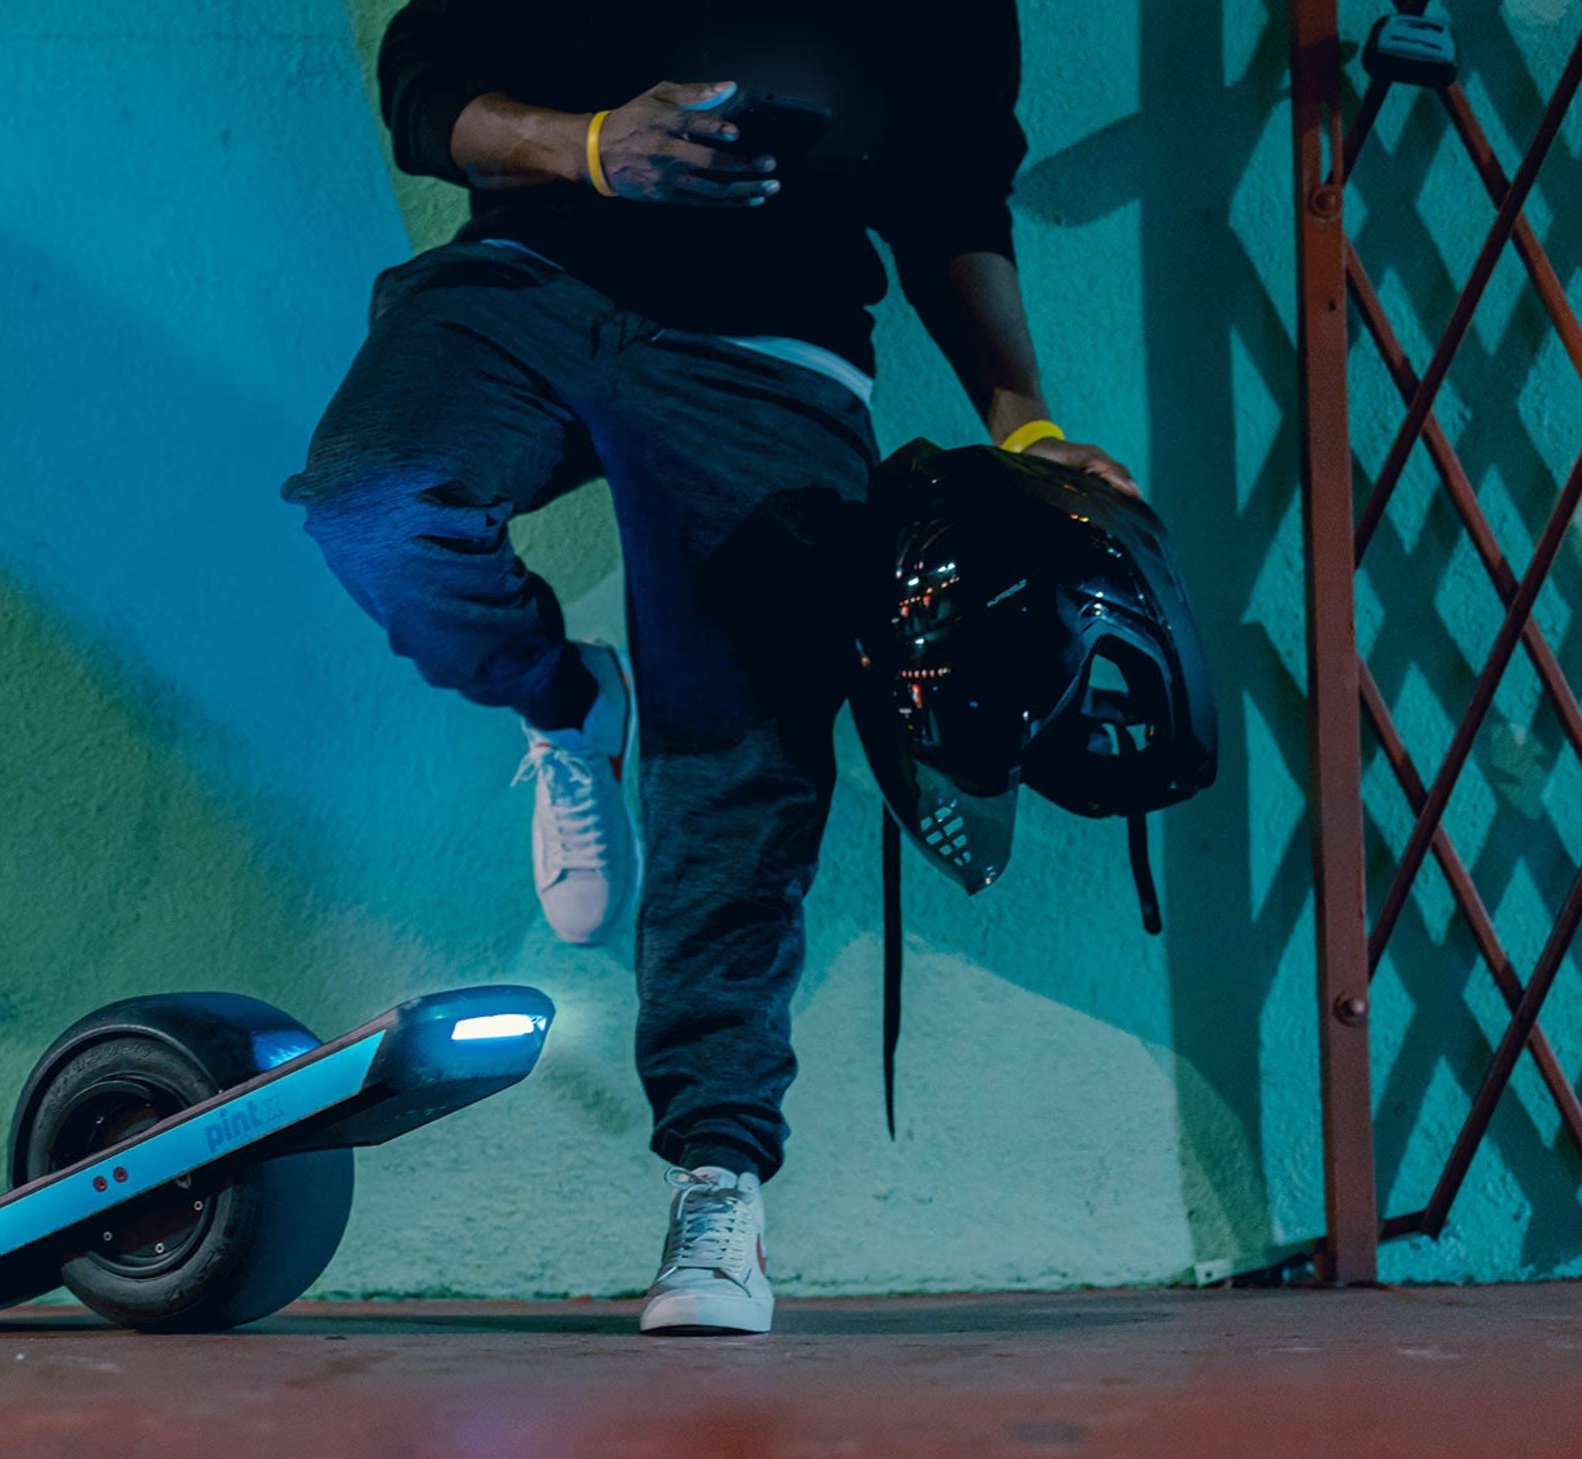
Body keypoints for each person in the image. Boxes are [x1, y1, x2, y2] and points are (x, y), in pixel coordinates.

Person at [282, 0, 1137, 1334]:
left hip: (775, 340)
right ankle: (562, 701)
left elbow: (950, 199)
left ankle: (718, 1182)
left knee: (743, 748)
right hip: (526, 284)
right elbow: (426, 90)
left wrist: (1025, 425)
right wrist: (590, 146)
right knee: (377, 500)